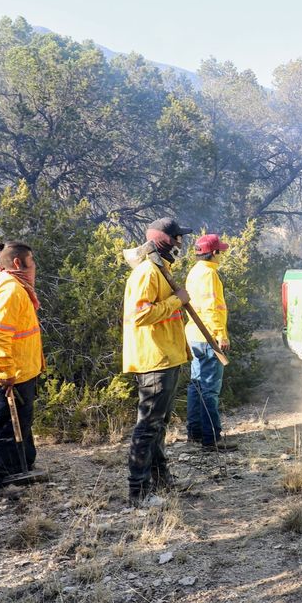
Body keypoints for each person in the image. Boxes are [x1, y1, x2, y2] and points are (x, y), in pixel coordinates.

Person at [121, 217, 190, 507]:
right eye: (177, 238)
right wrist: (177, 300)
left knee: (158, 425)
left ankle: (161, 481)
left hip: (166, 357)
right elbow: (140, 315)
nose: (180, 244)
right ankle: (138, 491)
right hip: (154, 360)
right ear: (166, 241)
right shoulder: (148, 272)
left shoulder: (160, 269)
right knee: (148, 426)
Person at [0, 240, 46, 494]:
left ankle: (20, 469)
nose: (35, 267)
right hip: (9, 375)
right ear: (18, 263)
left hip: (21, 372)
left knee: (22, 422)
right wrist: (6, 373)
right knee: (6, 426)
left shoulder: (17, 288)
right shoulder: (10, 291)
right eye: (32, 261)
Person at [184, 233, 233, 451]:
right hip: (208, 337)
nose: (221, 255)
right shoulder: (210, 274)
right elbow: (213, 308)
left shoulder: (194, 272)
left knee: (196, 385)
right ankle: (211, 438)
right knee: (210, 390)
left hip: (194, 335)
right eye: (220, 251)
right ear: (213, 253)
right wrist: (221, 335)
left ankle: (194, 433)